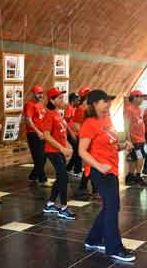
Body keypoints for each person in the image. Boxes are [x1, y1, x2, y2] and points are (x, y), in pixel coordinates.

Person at [79, 89, 136, 262]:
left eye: (109, 101)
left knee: (112, 207)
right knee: (112, 208)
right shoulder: (89, 123)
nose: (108, 104)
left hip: (111, 168)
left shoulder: (107, 119)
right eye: (104, 102)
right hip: (99, 171)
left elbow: (110, 144)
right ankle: (114, 248)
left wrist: (122, 145)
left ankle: (93, 239)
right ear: (94, 104)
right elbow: (81, 151)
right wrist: (98, 166)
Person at [42, 88, 75, 220]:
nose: (63, 100)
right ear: (52, 100)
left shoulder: (58, 114)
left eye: (63, 97)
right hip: (53, 151)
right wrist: (62, 148)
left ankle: (50, 204)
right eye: (59, 98)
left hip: (59, 150)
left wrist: (68, 146)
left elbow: (62, 134)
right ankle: (63, 208)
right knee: (64, 178)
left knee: (61, 177)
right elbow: (46, 136)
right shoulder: (49, 115)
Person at [73, 86, 97, 197]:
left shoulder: (90, 108)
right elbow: (76, 125)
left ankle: (88, 187)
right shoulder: (81, 109)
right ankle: (86, 187)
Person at [24, 85, 47, 184]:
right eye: (38, 93)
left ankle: (33, 176)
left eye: (41, 93)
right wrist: (37, 132)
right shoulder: (30, 105)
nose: (40, 95)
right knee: (39, 157)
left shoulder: (41, 105)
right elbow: (28, 120)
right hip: (33, 134)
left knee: (44, 157)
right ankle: (42, 178)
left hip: (42, 134)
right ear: (33, 94)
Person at [124, 90, 147, 186]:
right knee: (140, 157)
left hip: (140, 139)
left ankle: (130, 176)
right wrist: (129, 140)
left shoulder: (139, 109)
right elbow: (126, 125)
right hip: (135, 139)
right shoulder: (129, 109)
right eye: (140, 97)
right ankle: (138, 176)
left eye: (142, 97)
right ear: (134, 98)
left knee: (134, 158)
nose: (142, 99)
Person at [65, 93, 82, 177]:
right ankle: (77, 171)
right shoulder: (69, 108)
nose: (79, 101)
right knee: (78, 151)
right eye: (77, 100)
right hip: (71, 134)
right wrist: (71, 134)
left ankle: (68, 168)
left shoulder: (75, 109)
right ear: (73, 100)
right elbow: (66, 123)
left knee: (76, 151)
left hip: (76, 134)